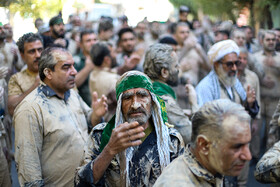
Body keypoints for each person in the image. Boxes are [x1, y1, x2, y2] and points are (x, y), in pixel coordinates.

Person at [13, 46, 108, 186]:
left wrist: (96, 115)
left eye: (73, 66)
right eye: (66, 67)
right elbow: (28, 168)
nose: (74, 72)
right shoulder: (30, 109)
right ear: (48, 73)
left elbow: (88, 121)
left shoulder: (72, 94)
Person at [75, 71, 184, 186]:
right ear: (120, 105)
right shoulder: (101, 135)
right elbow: (80, 183)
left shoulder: (171, 140)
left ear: (152, 101)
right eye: (127, 98)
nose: (135, 105)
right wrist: (109, 150)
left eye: (142, 96)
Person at [154, 99, 252, 186]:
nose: (248, 156)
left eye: (247, 144)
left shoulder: (211, 167)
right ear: (204, 145)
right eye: (237, 147)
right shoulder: (176, 183)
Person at [143, 43, 195, 144]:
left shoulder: (146, 88)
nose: (179, 68)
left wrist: (182, 112)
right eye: (176, 65)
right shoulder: (164, 101)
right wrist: (194, 104)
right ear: (164, 72)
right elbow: (192, 136)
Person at [196, 40, 259, 118]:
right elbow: (204, 119)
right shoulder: (206, 86)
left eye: (236, 63)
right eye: (229, 64)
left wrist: (250, 103)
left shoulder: (234, 81)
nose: (234, 68)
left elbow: (243, 109)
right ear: (216, 65)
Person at [253, 31, 280, 149]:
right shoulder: (255, 57)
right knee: (256, 133)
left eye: (273, 40)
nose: (271, 42)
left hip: (275, 101)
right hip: (259, 100)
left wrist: (276, 65)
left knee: (273, 133)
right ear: (262, 41)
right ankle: (254, 160)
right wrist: (261, 80)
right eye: (268, 40)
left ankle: (270, 162)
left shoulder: (279, 58)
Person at [8, 33, 43, 116]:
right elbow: (12, 109)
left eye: (40, 50)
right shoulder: (16, 79)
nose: (38, 55)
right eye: (32, 51)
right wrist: (35, 86)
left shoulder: (55, 73)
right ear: (22, 56)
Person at [89, 42, 119, 121]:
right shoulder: (113, 80)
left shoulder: (92, 74)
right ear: (107, 59)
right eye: (113, 53)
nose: (115, 55)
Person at [74, 29, 98, 106]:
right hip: (85, 108)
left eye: (95, 40)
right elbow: (72, 83)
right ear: (81, 44)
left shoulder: (104, 57)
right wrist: (88, 68)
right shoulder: (75, 60)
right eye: (88, 41)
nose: (93, 43)